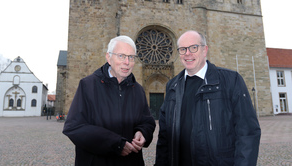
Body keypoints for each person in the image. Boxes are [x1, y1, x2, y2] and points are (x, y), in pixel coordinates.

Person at [155, 30, 261, 166]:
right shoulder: (172, 85)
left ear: (205, 50)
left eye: (193, 47)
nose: (188, 53)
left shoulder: (230, 81)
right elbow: (165, 136)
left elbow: (248, 133)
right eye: (182, 49)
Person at [63, 35, 156, 166]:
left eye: (131, 57)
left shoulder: (138, 90)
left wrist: (142, 132)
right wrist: (115, 144)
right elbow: (73, 127)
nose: (127, 62)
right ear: (109, 57)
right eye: (121, 56)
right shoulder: (88, 85)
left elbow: (147, 121)